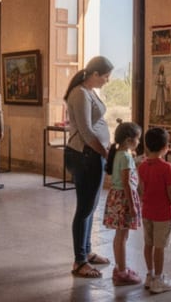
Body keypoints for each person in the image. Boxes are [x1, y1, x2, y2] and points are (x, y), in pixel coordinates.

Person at [64, 55, 114, 278]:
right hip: (85, 156)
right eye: (105, 76)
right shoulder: (80, 94)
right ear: (95, 74)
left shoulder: (89, 92)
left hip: (92, 155)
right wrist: (105, 152)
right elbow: (86, 132)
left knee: (91, 206)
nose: (107, 80)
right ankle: (79, 261)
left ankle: (87, 250)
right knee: (84, 209)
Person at [138, 127, 171, 294]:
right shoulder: (166, 167)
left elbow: (141, 189)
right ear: (166, 147)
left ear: (147, 146)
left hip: (147, 211)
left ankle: (149, 275)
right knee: (159, 246)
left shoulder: (142, 167)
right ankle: (159, 278)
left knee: (148, 244)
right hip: (162, 214)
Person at [103, 121, 143, 286]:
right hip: (123, 199)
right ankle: (122, 272)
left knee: (120, 236)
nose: (139, 142)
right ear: (128, 140)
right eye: (137, 139)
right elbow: (126, 183)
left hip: (116, 196)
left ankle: (121, 267)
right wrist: (133, 204)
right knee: (122, 237)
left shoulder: (120, 154)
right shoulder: (125, 157)